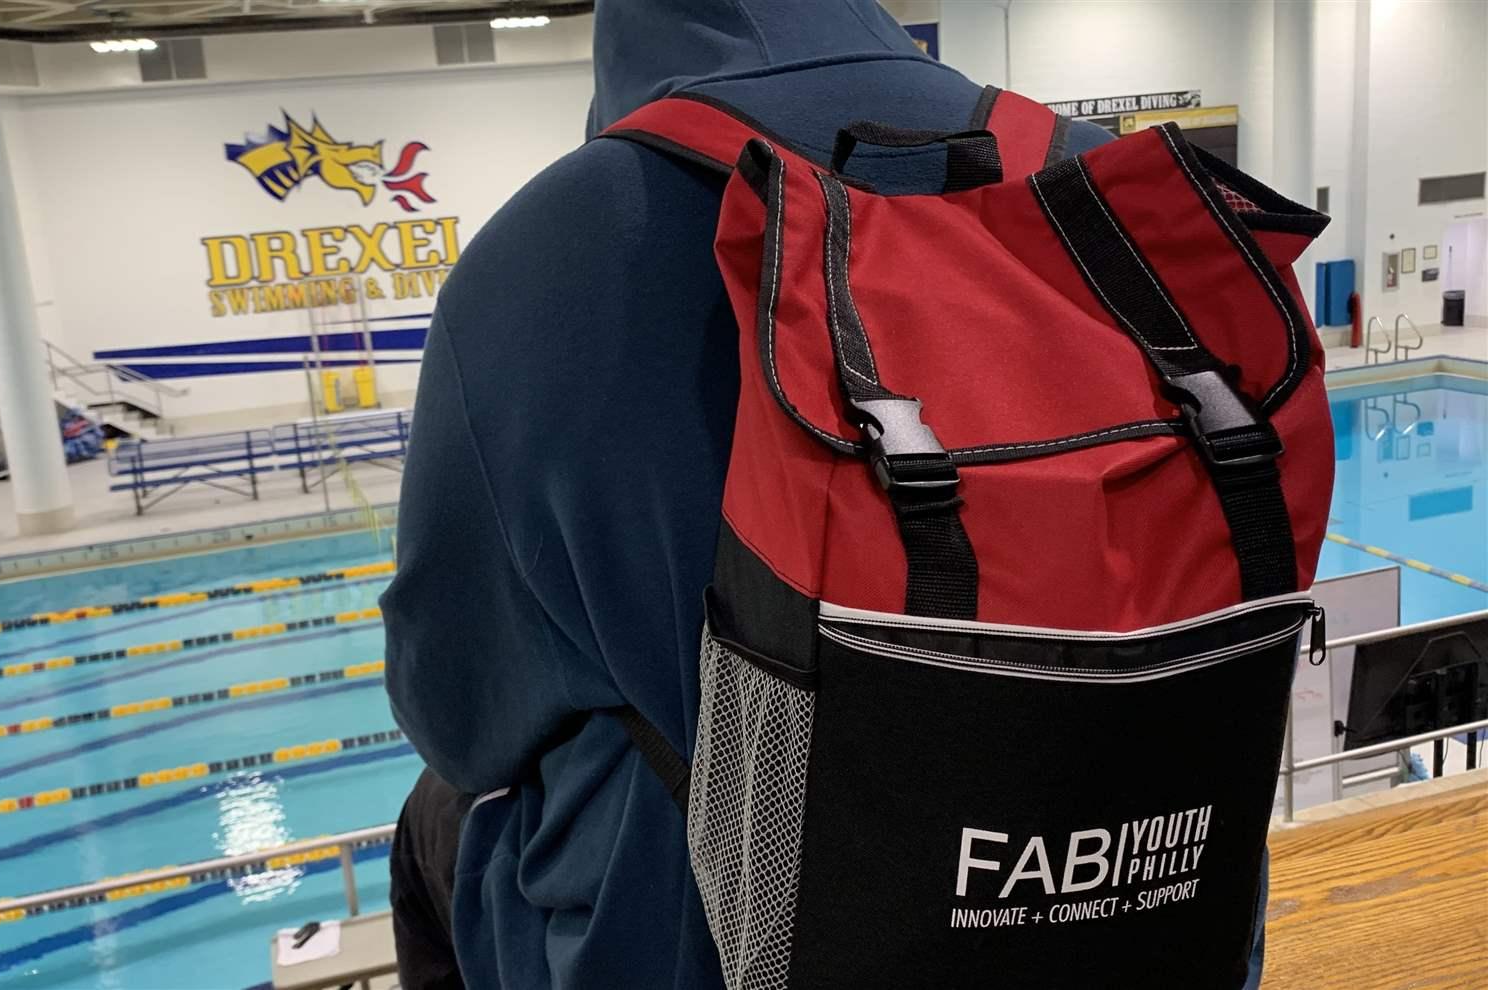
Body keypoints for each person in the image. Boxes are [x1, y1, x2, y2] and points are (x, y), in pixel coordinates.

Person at [376, 3, 1283, 989]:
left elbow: (459, 715)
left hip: (698, 943)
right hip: (1149, 918)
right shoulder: (1117, 186)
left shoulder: (546, 252)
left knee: (436, 818)